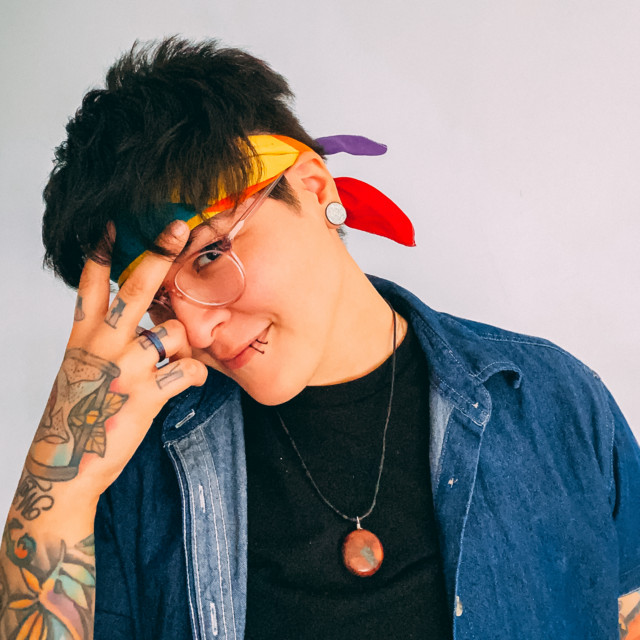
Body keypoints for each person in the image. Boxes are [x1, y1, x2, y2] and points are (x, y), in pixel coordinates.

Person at [1, 36, 639, 640]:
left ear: (313, 187)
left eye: (210, 256)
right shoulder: (135, 468)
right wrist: (56, 484)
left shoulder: (551, 401)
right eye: (157, 301)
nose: (193, 328)